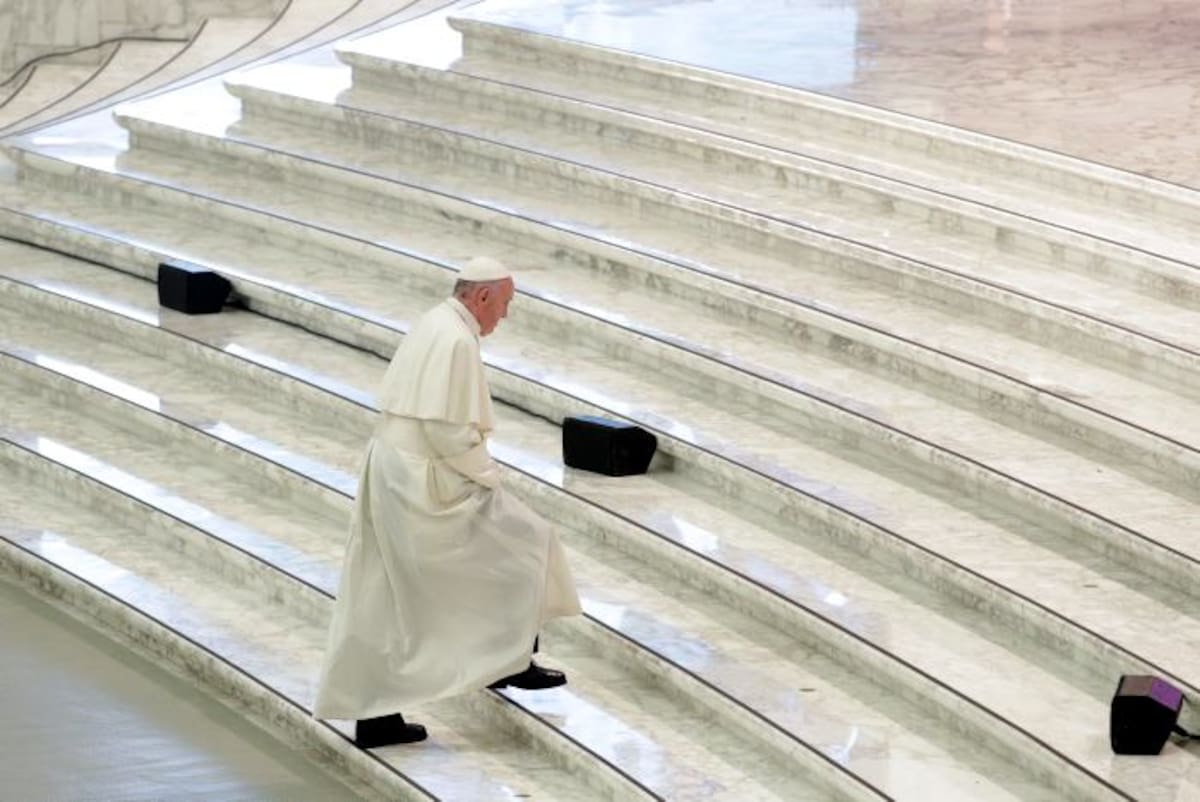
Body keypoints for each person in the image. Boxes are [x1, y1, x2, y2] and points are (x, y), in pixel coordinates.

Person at [312, 256, 582, 748]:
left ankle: (394, 709)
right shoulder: (456, 339)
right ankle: (507, 660)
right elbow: (447, 431)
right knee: (525, 544)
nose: (503, 316)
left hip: (399, 469)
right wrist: (488, 477)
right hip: (427, 481)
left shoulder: (436, 320)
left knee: (386, 594)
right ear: (481, 297)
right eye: (503, 304)